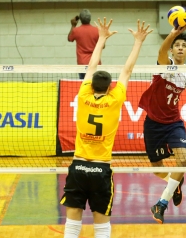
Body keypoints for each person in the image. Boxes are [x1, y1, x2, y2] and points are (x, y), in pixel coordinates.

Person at [60, 18, 153, 238]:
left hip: (79, 166)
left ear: (90, 84)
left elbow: (91, 66)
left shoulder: (82, 95)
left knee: (72, 223)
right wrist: (138, 41)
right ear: (110, 87)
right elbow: (127, 71)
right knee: (101, 225)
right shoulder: (115, 100)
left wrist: (101, 38)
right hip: (100, 170)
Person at [138, 24, 186, 224]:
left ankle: (161, 203)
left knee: (183, 159)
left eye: (183, 45)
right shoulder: (165, 63)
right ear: (172, 50)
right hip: (153, 123)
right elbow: (161, 50)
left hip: (173, 123)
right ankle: (176, 183)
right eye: (177, 45)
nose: (180, 48)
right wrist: (173, 34)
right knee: (156, 168)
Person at [68, 9, 103, 80]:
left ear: (80, 19)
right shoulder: (97, 30)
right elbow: (103, 46)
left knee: (84, 86)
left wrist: (73, 25)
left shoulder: (76, 30)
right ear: (90, 18)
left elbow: (69, 39)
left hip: (82, 64)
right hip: (95, 63)